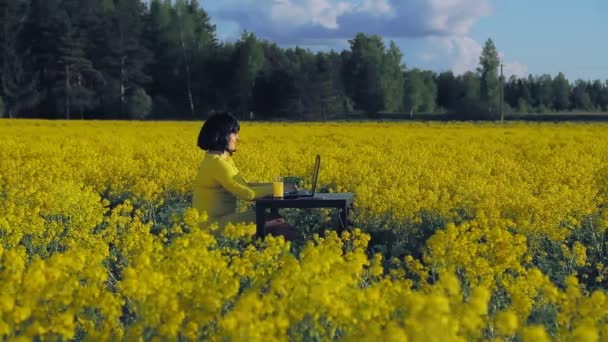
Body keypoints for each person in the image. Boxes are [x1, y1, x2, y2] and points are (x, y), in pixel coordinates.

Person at [192, 112, 299, 240]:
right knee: (275, 221)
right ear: (223, 135)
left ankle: (286, 251)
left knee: (275, 220)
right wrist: (281, 189)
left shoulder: (221, 159)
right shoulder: (217, 164)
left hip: (220, 221)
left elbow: (246, 185)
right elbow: (247, 194)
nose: (237, 138)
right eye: (234, 133)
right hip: (212, 226)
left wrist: (280, 187)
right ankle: (299, 251)